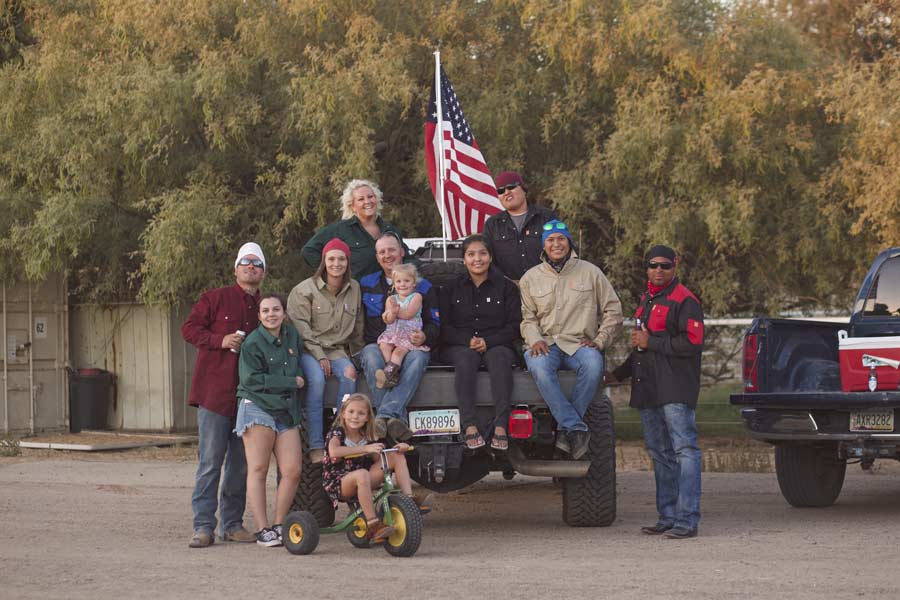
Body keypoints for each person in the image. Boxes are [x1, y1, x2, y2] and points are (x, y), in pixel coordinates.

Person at [609, 245, 704, 539]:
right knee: (660, 454)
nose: (659, 270)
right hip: (648, 389)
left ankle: (687, 520)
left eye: (664, 265)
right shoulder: (646, 300)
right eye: (653, 265)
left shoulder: (685, 300)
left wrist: (654, 342)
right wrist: (616, 375)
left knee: (684, 451)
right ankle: (668, 516)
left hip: (674, 389)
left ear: (675, 266)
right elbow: (640, 347)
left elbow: (692, 343)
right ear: (646, 268)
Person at [181, 242, 265, 548]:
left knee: (241, 465)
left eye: (257, 263)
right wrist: (220, 340)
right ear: (236, 268)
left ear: (263, 271)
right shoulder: (214, 298)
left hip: (250, 398)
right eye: (246, 262)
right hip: (215, 394)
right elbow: (189, 329)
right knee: (210, 462)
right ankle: (203, 525)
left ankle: (232, 524)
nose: (251, 266)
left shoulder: (267, 306)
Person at [520, 220, 623, 460]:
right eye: (550, 240)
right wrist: (534, 339)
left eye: (561, 239)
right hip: (546, 343)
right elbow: (527, 318)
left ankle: (568, 429)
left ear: (569, 242)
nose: (556, 244)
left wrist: (599, 341)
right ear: (543, 246)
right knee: (539, 367)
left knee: (594, 364)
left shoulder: (591, 272)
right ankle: (574, 428)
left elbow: (613, 311)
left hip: (579, 345)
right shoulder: (530, 278)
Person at [235, 293, 305, 547]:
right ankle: (263, 529)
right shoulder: (252, 343)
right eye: (265, 311)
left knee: (292, 470)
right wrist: (290, 382)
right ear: (259, 316)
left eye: (276, 309)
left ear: (284, 313)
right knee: (259, 469)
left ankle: (278, 524)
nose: (271, 315)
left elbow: (297, 366)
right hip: (258, 406)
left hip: (285, 409)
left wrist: (295, 380)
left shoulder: (291, 336)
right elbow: (251, 380)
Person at [439, 234, 521, 451]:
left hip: (497, 343)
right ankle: (469, 426)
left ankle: (501, 425)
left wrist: (488, 341)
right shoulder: (450, 289)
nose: (478, 259)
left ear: (491, 257)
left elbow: (515, 326)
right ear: (463, 259)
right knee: (466, 358)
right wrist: (468, 341)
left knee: (500, 358)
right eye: (471, 254)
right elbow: (444, 327)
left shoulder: (507, 288)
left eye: (483, 253)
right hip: (460, 345)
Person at [287, 238, 364, 463]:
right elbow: (301, 329)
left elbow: (358, 325)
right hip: (310, 350)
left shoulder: (354, 288)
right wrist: (319, 356)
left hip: (337, 351)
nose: (336, 263)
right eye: (331, 259)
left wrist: (357, 357)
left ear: (347, 262)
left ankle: (339, 437)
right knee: (318, 381)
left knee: (350, 374)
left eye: (341, 259)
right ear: (324, 261)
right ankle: (316, 446)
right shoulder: (304, 290)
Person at [359, 233, 439, 441]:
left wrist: (424, 336)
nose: (387, 255)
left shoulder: (422, 287)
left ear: (402, 252)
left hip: (410, 343)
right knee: (369, 355)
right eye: (382, 251)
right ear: (377, 257)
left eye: (392, 250)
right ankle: (395, 419)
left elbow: (435, 323)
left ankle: (383, 416)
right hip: (381, 342)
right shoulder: (366, 284)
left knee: (419, 358)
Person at [322, 393, 432, 543]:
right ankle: (373, 524)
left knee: (396, 457)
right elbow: (334, 452)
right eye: (351, 412)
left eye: (361, 413)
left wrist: (397, 448)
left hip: (364, 479)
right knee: (361, 474)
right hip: (340, 483)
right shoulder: (338, 432)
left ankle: (408, 499)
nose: (355, 417)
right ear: (342, 413)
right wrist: (365, 449)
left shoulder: (366, 434)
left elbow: (379, 459)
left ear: (368, 417)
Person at [301, 179, 413, 280]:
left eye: (370, 196)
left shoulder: (389, 229)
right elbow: (309, 251)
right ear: (352, 206)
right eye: (360, 199)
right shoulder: (341, 229)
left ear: (377, 199)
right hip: (357, 296)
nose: (367, 201)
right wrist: (333, 274)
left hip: (390, 294)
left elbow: (406, 257)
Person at [482, 171, 558, 282]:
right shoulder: (492, 224)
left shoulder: (547, 217)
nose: (506, 192)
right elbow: (486, 260)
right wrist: (507, 283)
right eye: (501, 191)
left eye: (511, 187)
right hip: (507, 292)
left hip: (544, 289)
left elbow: (560, 250)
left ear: (524, 190)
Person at [375, 263, 429, 389]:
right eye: (398, 281)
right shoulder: (391, 299)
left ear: (414, 283)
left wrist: (394, 312)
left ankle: (388, 374)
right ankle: (392, 374)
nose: (402, 284)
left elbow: (408, 314)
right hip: (393, 332)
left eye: (407, 281)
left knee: (398, 353)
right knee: (384, 346)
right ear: (394, 284)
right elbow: (388, 320)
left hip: (408, 334)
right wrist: (390, 314)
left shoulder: (416, 297)